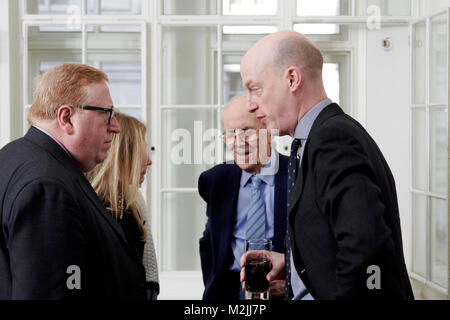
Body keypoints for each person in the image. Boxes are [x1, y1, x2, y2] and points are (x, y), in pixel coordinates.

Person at [239, 31, 414, 300]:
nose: (250, 105)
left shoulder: (332, 139)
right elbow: (336, 234)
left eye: (255, 88)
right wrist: (292, 262)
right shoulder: (318, 138)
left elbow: (366, 248)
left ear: (292, 79)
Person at [0, 63, 147, 299]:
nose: (116, 127)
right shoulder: (48, 186)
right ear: (66, 117)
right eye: (106, 114)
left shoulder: (15, 157)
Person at [199, 95, 288, 300]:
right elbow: (209, 243)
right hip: (230, 290)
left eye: (247, 131)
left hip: (281, 291)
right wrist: (214, 287)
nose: (238, 142)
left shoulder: (298, 174)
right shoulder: (215, 180)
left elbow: (316, 247)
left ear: (269, 132)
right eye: (230, 133)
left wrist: (291, 284)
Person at [86, 112, 159, 300]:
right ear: (122, 154)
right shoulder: (88, 205)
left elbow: (148, 272)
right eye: (142, 151)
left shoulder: (134, 200)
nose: (149, 161)